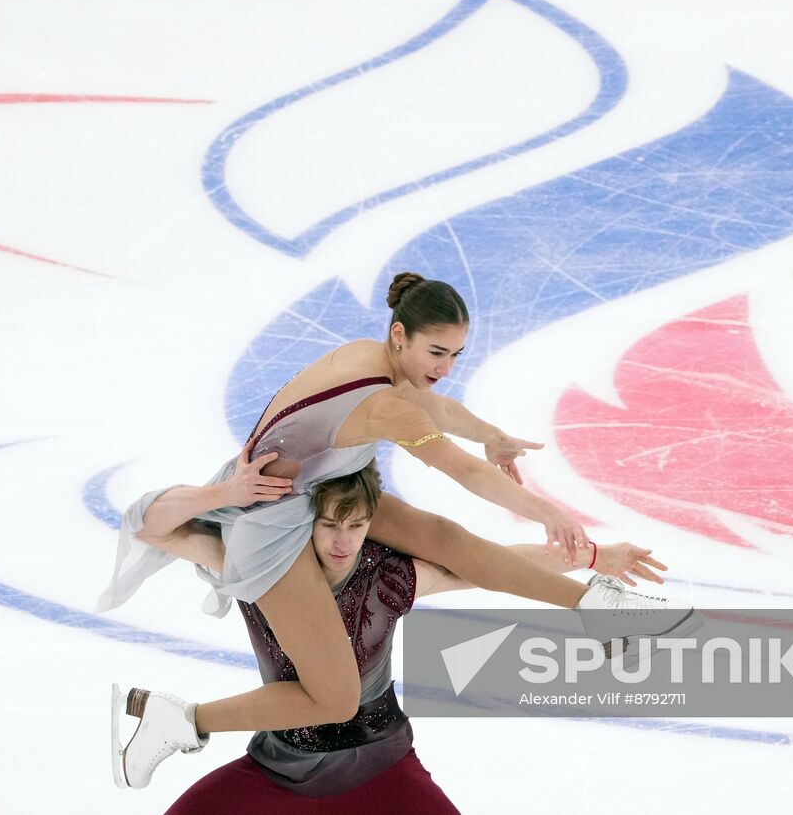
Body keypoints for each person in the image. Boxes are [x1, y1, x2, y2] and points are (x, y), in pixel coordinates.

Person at [98, 272, 697, 789]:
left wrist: (491, 435)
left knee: (446, 538)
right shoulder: (383, 405)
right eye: (437, 352)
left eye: (456, 355)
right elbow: (455, 464)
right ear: (399, 336)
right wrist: (552, 513)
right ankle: (182, 720)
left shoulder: (375, 360)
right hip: (272, 519)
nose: (445, 367)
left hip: (326, 484)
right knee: (336, 698)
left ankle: (597, 605)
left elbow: (437, 409)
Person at [146, 463, 620, 813]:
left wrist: (593, 557)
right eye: (329, 525)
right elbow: (154, 527)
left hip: (379, 763)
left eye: (356, 526)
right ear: (302, 522)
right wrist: (223, 493)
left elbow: (492, 564)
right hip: (279, 769)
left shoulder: (387, 578)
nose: (343, 541)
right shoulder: (258, 569)